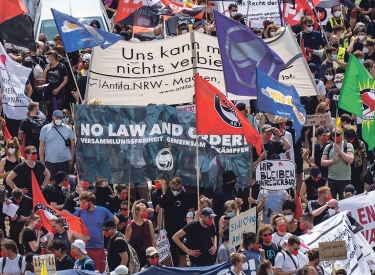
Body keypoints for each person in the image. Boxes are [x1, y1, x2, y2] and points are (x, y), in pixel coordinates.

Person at [73, 191, 118, 273]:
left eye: (83, 202)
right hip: (84, 248)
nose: (81, 204)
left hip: (98, 247)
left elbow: (116, 220)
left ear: (90, 202)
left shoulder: (102, 210)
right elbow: (70, 221)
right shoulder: (80, 211)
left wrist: (107, 230)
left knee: (98, 271)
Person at [158, 177, 194, 266]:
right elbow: (161, 212)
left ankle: (181, 271)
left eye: (176, 188)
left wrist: (190, 225)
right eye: (173, 188)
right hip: (169, 228)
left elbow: (191, 211)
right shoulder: (166, 196)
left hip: (182, 229)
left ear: (181, 186)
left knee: (182, 253)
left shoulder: (187, 197)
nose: (174, 190)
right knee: (169, 252)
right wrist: (159, 225)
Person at [39, 109, 75, 180]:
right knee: (51, 181)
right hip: (51, 161)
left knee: (64, 181)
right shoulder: (45, 129)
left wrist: (72, 158)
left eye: (60, 118)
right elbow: (41, 145)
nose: (59, 119)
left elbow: (72, 145)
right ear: (53, 117)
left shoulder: (67, 128)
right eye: (57, 118)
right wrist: (42, 160)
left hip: (64, 160)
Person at [321, 129, 354, 200]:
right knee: (331, 202)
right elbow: (323, 162)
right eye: (334, 135)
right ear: (332, 137)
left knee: (345, 201)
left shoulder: (348, 145)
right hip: (332, 179)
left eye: (338, 134)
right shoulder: (328, 147)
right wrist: (333, 161)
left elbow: (350, 160)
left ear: (342, 135)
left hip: (344, 179)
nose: (336, 136)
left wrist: (339, 150)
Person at [125, 201, 155, 268]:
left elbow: (153, 238)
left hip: (148, 253)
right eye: (143, 210)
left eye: (146, 210)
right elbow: (127, 241)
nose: (145, 212)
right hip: (137, 253)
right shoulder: (131, 225)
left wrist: (154, 251)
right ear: (137, 212)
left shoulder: (149, 223)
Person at [40, 50, 68, 116]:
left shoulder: (61, 66)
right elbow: (42, 79)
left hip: (59, 91)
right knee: (49, 111)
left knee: (59, 109)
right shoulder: (46, 66)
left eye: (48, 56)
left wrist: (58, 89)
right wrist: (46, 70)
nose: (47, 58)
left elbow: (65, 79)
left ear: (52, 57)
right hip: (48, 91)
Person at [8, 188, 33, 255]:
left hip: (25, 225)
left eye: (19, 199)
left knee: (26, 242)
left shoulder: (29, 200)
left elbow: (34, 214)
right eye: (16, 200)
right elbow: (7, 215)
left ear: (22, 195)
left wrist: (26, 218)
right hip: (14, 226)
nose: (18, 201)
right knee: (14, 243)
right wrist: (13, 217)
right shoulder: (10, 201)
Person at [0, 137, 25, 202]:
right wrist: (9, 173)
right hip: (8, 185)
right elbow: (0, 175)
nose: (10, 149)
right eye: (9, 147)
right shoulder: (4, 160)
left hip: (20, 185)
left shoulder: (21, 159)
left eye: (12, 147)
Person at [346, 129, 367, 194]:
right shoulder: (344, 144)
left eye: (352, 138)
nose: (351, 140)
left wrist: (363, 171)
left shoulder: (360, 144)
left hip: (358, 168)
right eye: (349, 139)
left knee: (360, 190)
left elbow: (364, 157)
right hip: (348, 168)